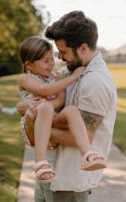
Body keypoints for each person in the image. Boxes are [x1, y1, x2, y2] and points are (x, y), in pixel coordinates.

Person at [17, 10, 117, 202]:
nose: (59, 59)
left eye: (63, 52)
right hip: (50, 172)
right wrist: (22, 105)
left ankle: (87, 156)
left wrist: (34, 127)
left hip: (68, 182)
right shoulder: (72, 71)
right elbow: (46, 86)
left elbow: (81, 137)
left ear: (83, 48)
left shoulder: (95, 81)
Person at [17, 36, 107, 184]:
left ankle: (87, 154)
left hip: (52, 117)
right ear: (30, 65)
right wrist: (74, 77)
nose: (52, 63)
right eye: (46, 61)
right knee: (44, 107)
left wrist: (51, 103)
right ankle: (40, 163)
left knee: (71, 110)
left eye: (51, 58)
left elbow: (60, 99)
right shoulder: (24, 78)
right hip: (33, 119)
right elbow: (46, 91)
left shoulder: (55, 76)